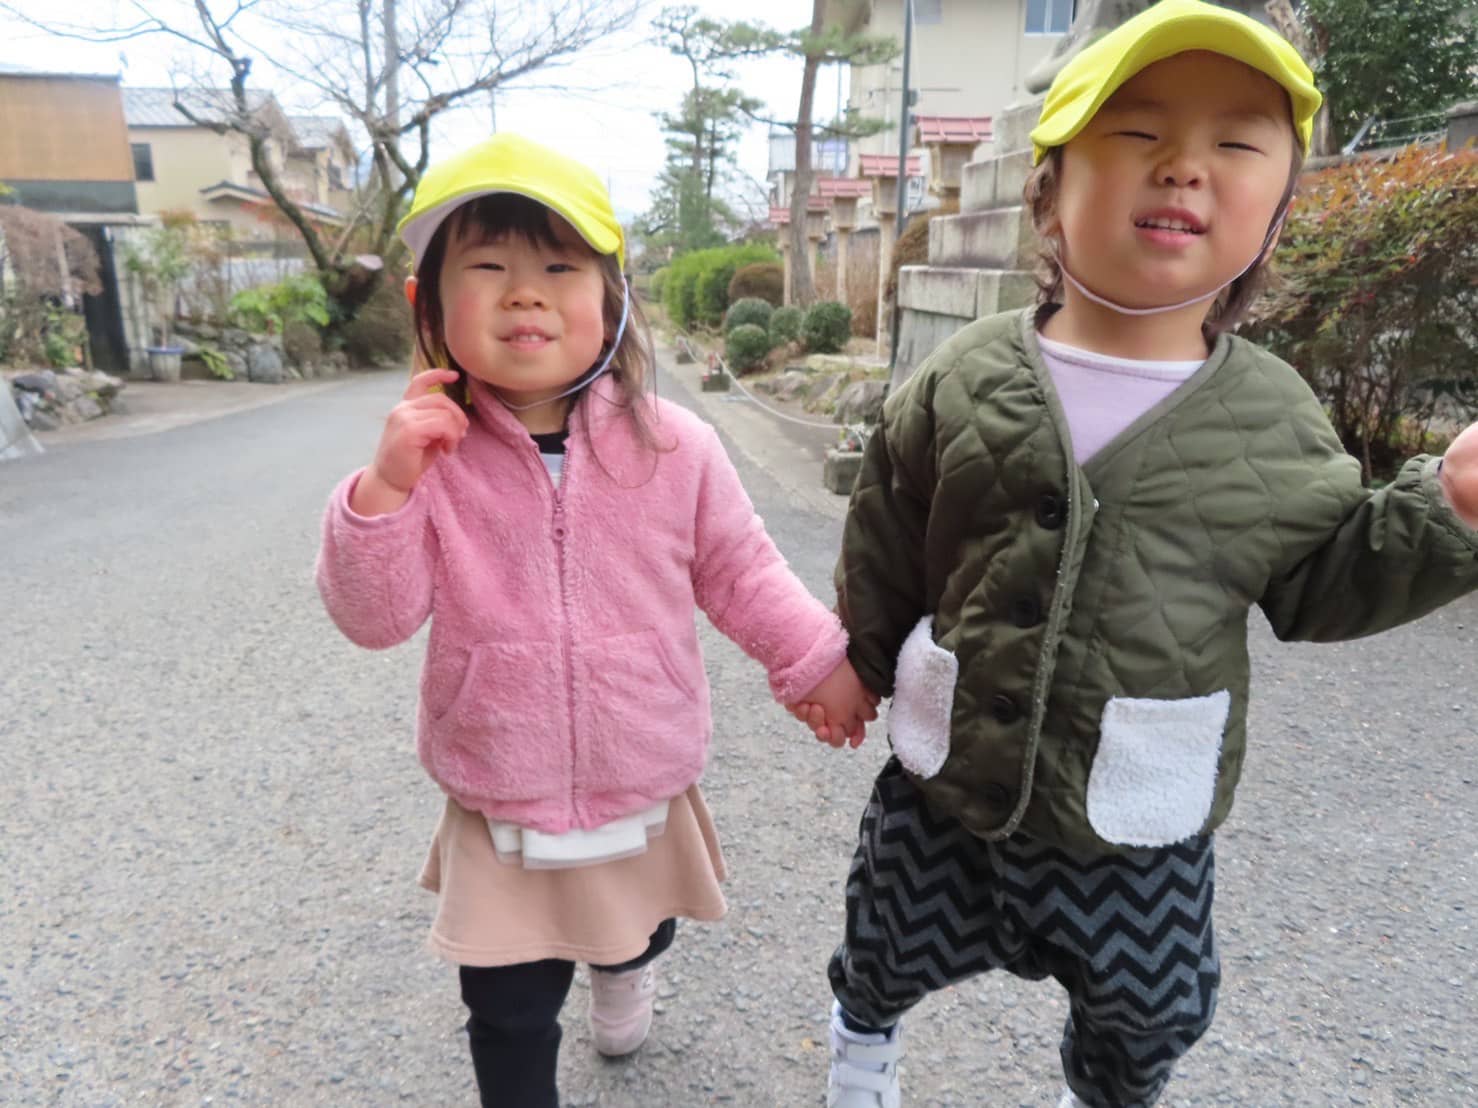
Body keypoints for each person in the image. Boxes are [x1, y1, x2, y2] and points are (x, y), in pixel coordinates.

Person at [796, 3, 1478, 1105]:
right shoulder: (963, 376)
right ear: (1049, 193)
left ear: (1271, 212)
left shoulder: (1273, 416)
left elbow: (1322, 578)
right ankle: (860, 1046)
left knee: (1151, 1009)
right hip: (948, 785)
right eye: (1134, 133)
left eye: (1235, 144)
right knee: (882, 939)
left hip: (1132, 817)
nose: (1182, 169)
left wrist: (1445, 513)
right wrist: (857, 658)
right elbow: (886, 529)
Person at [315, 132, 878, 1108]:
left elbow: (742, 572)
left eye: (557, 269)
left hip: (635, 769)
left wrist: (819, 663)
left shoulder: (677, 446)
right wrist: (383, 488)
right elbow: (375, 617)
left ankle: (627, 968)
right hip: (502, 786)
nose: (522, 293)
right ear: (431, 307)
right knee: (506, 1008)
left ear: (612, 300)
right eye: (485, 267)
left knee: (640, 927)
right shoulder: (427, 461)